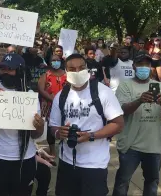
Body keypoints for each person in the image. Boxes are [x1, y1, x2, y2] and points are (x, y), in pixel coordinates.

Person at [50, 54, 124, 196]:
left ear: (87, 69)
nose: (77, 72)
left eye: (81, 68)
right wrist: (60, 133)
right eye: (72, 69)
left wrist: (91, 135)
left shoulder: (103, 92)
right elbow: (53, 127)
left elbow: (118, 124)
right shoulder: (61, 96)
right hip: (67, 163)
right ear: (66, 72)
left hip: (94, 165)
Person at [0, 53, 44, 196]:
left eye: (11, 69)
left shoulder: (29, 95)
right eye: (3, 68)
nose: (6, 72)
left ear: (20, 71)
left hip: (24, 160)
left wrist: (40, 125)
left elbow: (36, 135)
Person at [112, 51, 161, 196]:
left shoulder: (160, 86)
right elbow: (122, 110)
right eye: (140, 64)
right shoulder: (125, 86)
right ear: (134, 66)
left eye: (147, 64)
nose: (144, 67)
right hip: (130, 145)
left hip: (153, 145)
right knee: (123, 181)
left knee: (152, 182)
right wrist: (139, 100)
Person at [38, 54, 67, 156]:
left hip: (65, 105)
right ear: (50, 62)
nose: (55, 62)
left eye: (57, 60)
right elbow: (41, 89)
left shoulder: (67, 75)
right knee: (51, 127)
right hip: (49, 106)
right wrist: (53, 99)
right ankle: (52, 149)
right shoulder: (46, 75)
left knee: (64, 125)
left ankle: (65, 146)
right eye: (53, 60)